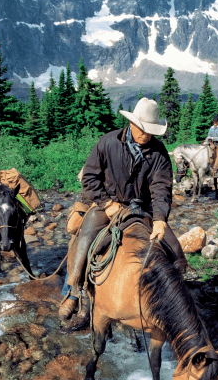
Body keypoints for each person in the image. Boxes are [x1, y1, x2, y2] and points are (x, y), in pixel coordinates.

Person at [59, 97, 187, 325]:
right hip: (108, 204)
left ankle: (177, 303)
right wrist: (107, 204)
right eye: (142, 129)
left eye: (150, 131)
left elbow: (161, 188)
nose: (145, 135)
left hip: (144, 210)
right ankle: (74, 290)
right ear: (132, 123)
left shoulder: (159, 153)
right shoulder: (107, 143)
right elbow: (90, 178)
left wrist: (159, 219)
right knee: (85, 237)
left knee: (176, 252)